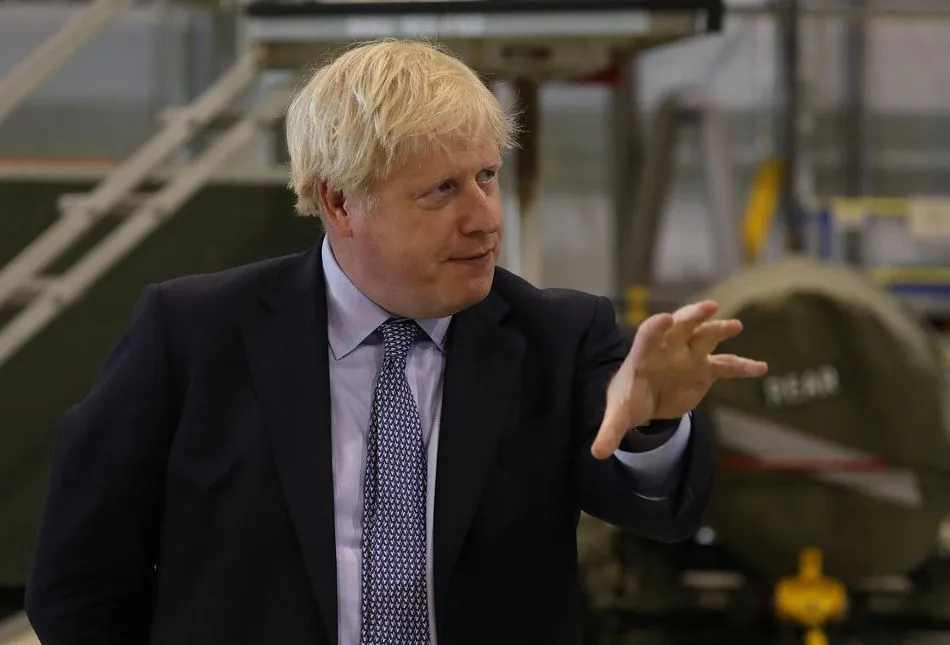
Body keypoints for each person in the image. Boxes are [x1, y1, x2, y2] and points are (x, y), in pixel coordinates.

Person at [24, 39, 767, 645]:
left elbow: (659, 512)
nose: (484, 219)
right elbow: (79, 586)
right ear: (339, 201)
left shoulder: (559, 336)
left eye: (486, 176)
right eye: (442, 190)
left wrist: (653, 426)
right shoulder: (191, 338)